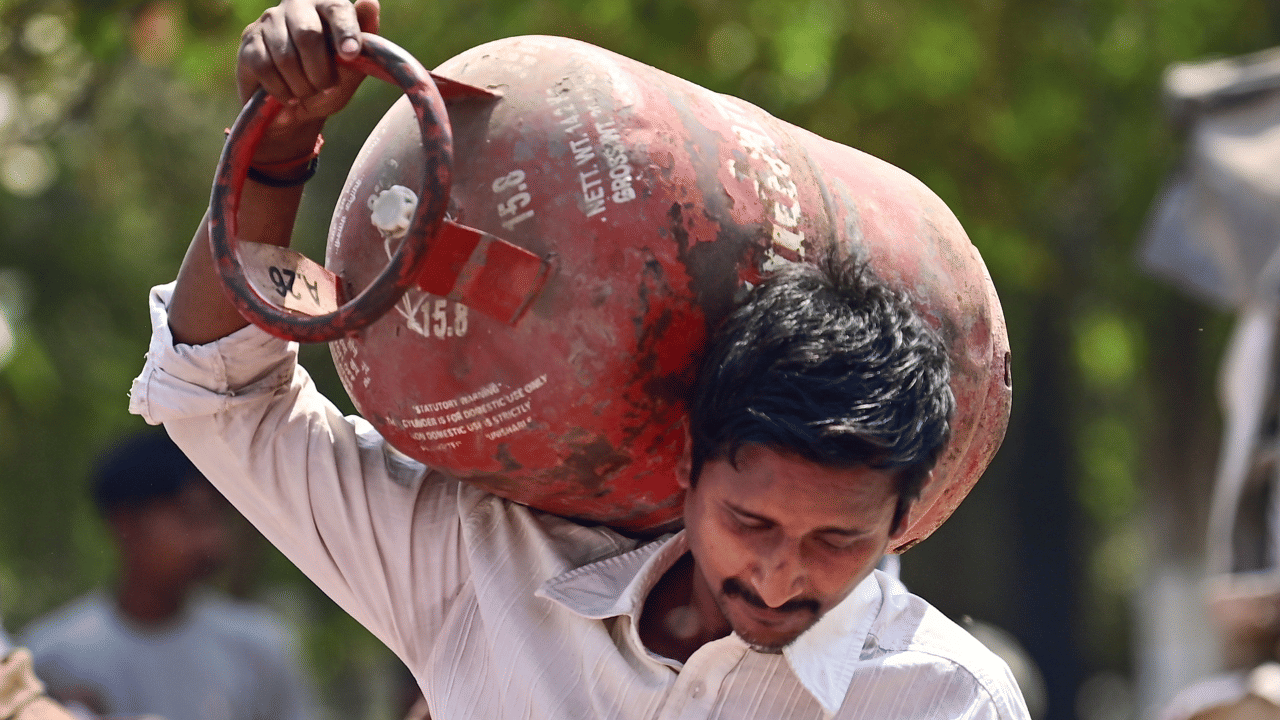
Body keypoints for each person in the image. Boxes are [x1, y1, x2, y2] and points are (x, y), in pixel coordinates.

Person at [127, 0, 1031, 717]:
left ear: (900, 522)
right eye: (751, 522)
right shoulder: (484, 572)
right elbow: (221, 394)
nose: (778, 576)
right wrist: (279, 144)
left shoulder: (943, 698)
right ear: (685, 460)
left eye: (837, 541)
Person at [20, 431, 318, 720]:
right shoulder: (52, 658)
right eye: (191, 516)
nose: (211, 540)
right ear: (127, 523)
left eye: (218, 517)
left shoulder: (258, 649)